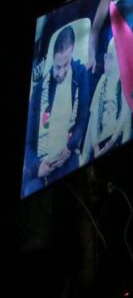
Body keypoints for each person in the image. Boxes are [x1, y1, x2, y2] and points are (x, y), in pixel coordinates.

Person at [24, 25, 92, 194]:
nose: (61, 73)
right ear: (51, 59)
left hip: (67, 156)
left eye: (65, 65)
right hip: (42, 165)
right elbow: (28, 143)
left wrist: (70, 147)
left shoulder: (80, 74)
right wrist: (37, 166)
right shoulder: (39, 91)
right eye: (57, 67)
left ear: (73, 51)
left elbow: (82, 120)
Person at [82, 35, 132, 163]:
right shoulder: (102, 81)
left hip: (115, 139)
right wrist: (95, 147)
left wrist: (113, 140)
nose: (106, 61)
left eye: (110, 57)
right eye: (106, 57)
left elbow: (125, 118)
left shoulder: (124, 81)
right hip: (98, 142)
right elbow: (93, 117)